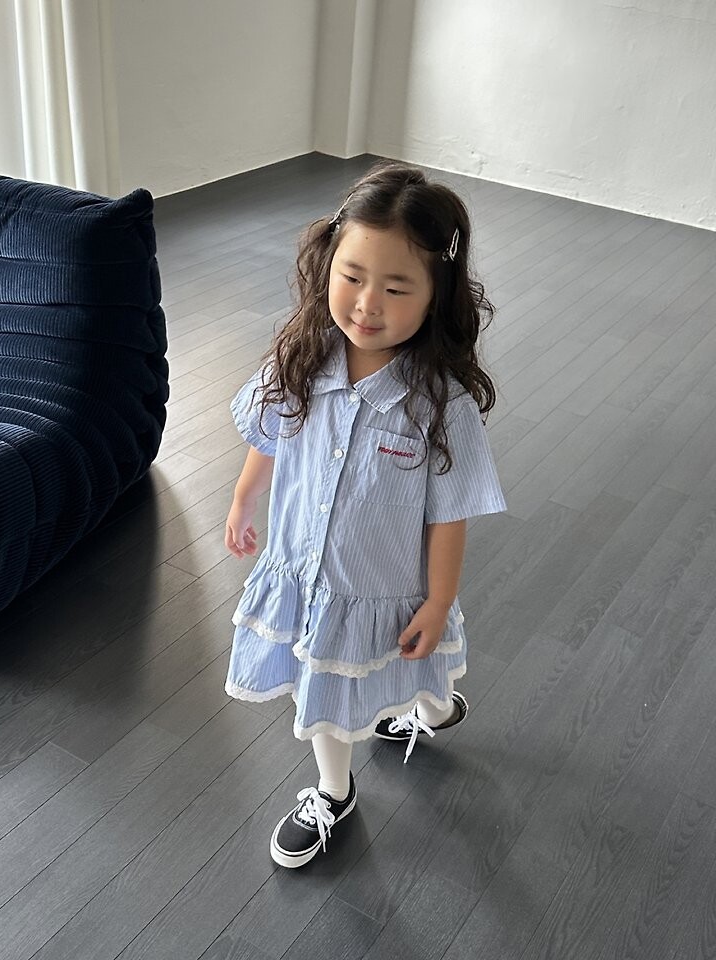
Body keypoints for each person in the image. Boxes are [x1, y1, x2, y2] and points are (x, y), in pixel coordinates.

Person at [223, 161, 506, 869]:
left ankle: (434, 709)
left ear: (436, 295)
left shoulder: (440, 404)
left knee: (422, 671)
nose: (367, 303)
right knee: (325, 684)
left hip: (385, 586)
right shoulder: (299, 359)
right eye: (352, 276)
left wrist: (438, 602)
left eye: (397, 287)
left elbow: (450, 513)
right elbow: (270, 436)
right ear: (328, 263)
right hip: (308, 574)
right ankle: (334, 790)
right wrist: (243, 498)